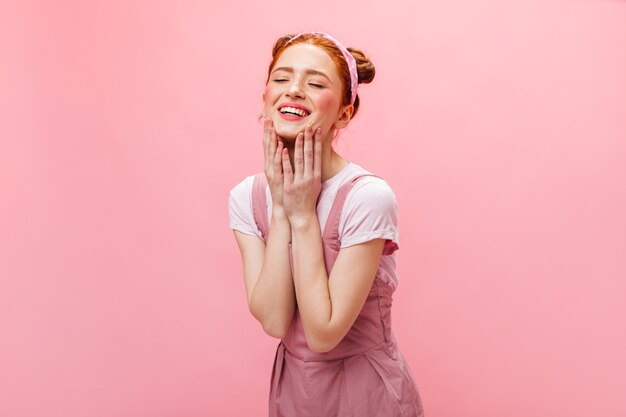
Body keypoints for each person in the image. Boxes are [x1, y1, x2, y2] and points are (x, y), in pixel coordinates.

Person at [228, 31, 425, 417]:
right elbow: (273, 319)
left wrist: (302, 215)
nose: (294, 90)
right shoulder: (245, 197)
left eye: (315, 83)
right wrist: (282, 208)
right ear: (266, 97)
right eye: (281, 79)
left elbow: (323, 333)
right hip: (295, 392)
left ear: (345, 113)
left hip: (366, 392)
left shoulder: (367, 197)